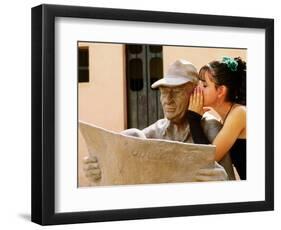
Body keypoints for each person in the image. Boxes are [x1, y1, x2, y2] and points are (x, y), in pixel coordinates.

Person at [84, 59, 230, 182]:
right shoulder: (155, 131)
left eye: (176, 92)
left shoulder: (211, 128)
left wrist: (223, 181)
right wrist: (99, 166)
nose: (168, 100)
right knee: (133, 135)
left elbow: (230, 182)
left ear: (195, 94)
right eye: (164, 92)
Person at [187, 56, 246, 180]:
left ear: (220, 91)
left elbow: (209, 159)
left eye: (204, 85)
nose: (198, 90)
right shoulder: (228, 117)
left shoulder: (239, 114)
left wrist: (193, 118)